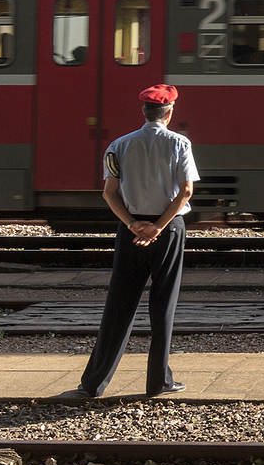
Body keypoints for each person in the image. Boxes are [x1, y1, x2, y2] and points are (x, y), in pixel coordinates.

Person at [58, 84, 198, 400]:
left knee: (119, 305)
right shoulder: (179, 144)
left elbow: (109, 192)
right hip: (169, 230)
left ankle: (93, 383)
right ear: (170, 112)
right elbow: (185, 192)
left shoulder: (119, 145)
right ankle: (158, 382)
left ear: (144, 111)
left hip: (130, 230)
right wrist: (158, 227)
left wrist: (134, 225)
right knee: (163, 306)